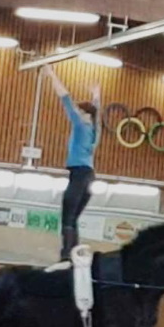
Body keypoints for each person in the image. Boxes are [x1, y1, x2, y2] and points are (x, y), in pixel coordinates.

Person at [42, 65, 100, 260]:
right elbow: (97, 111)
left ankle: (67, 256)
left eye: (79, 110)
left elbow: (65, 97)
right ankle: (74, 255)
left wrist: (52, 75)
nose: (76, 111)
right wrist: (96, 96)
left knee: (68, 218)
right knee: (73, 218)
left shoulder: (81, 125)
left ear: (85, 114)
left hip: (79, 175)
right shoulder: (94, 130)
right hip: (89, 177)